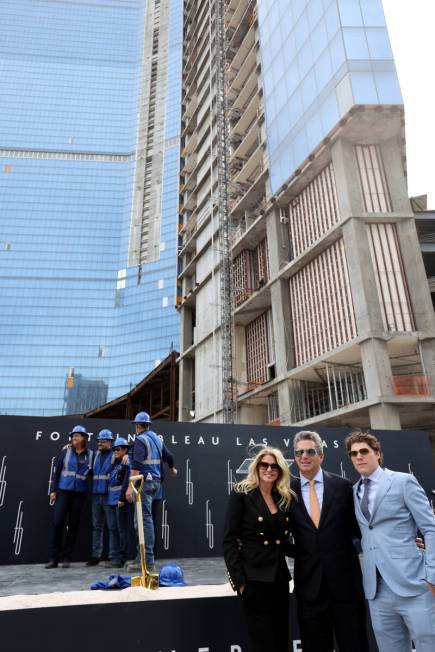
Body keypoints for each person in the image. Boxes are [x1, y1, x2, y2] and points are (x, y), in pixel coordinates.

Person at [345, 430, 435, 652]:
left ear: (377, 453)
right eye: (353, 453)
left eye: (364, 451)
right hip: (377, 590)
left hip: (414, 583)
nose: (359, 457)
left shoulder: (403, 481)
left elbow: (430, 528)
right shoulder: (353, 491)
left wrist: (432, 575)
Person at [289, 430, 368, 652]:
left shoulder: (343, 487)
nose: (304, 456)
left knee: (355, 645)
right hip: (309, 588)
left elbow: (360, 529)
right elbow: (279, 535)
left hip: (346, 586)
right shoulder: (286, 492)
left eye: (310, 451)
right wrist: (303, 552)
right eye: (299, 452)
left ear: (321, 456)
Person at [223, 447, 294, 652]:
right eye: (265, 465)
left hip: (279, 579)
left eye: (275, 466)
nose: (269, 469)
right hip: (253, 580)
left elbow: (282, 542)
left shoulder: (283, 497)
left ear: (280, 470)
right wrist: (239, 582)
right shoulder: (242, 493)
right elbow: (229, 540)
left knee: (280, 638)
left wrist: (313, 552)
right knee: (262, 642)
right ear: (257, 467)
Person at [45, 425, 94, 569]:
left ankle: (67, 557)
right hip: (63, 492)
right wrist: (53, 490)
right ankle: (54, 559)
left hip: (79, 494)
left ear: (84, 438)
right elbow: (57, 472)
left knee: (73, 525)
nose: (74, 438)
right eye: (73, 436)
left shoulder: (91, 455)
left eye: (77, 435)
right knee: (58, 523)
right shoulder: (65, 452)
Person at [125, 411, 162, 571]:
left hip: (143, 484)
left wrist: (129, 488)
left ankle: (147, 562)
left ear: (137, 426)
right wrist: (173, 468)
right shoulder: (156, 439)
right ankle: (142, 558)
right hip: (155, 483)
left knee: (143, 522)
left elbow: (136, 465)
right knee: (141, 521)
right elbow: (169, 456)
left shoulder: (140, 440)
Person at [87, 428, 117, 567]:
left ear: (110, 442)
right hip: (96, 496)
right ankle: (95, 556)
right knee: (96, 527)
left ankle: (112, 555)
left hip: (108, 496)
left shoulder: (115, 455)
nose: (99, 443)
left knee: (112, 526)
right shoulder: (95, 455)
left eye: (103, 441)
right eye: (98, 441)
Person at [106, 437, 131, 568]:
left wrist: (121, 499)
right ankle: (114, 556)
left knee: (122, 530)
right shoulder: (116, 463)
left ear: (125, 450)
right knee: (114, 529)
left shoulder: (127, 462)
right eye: (114, 449)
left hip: (120, 501)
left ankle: (121, 558)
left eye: (118, 449)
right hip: (111, 500)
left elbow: (127, 481)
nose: (115, 451)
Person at [152, 442, 177, 557]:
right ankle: (151, 552)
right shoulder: (157, 443)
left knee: (146, 521)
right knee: (150, 521)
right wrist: (172, 469)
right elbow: (170, 457)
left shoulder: (140, 443)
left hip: (145, 487)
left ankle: (148, 554)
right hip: (156, 487)